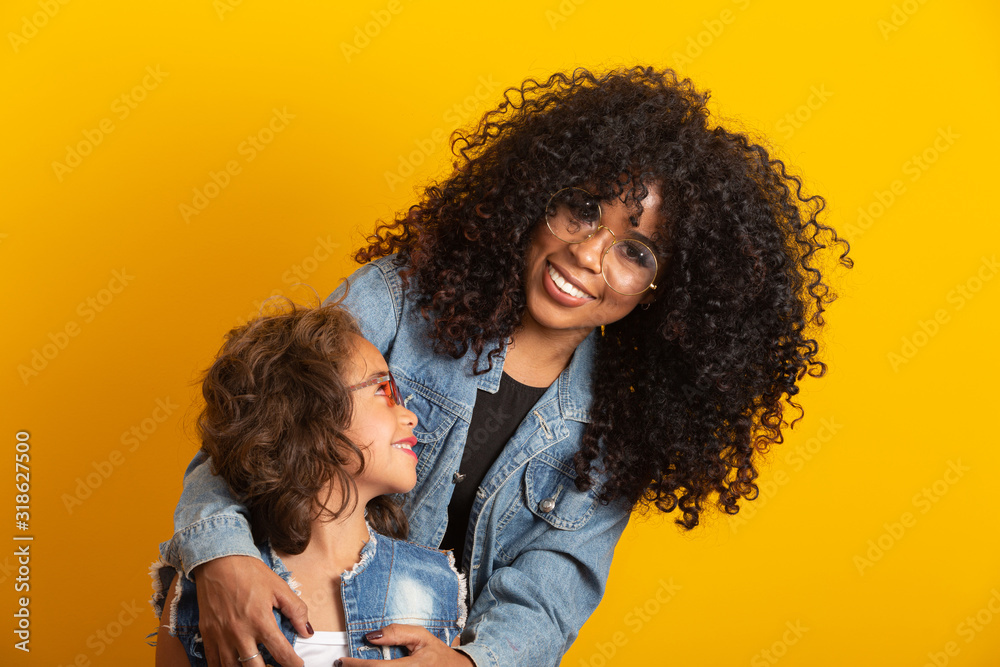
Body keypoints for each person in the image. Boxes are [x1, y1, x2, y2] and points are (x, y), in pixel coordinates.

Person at [158, 66, 852, 667]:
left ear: (666, 292)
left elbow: (553, 586)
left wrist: (468, 659)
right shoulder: (396, 300)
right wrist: (221, 555)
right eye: (582, 209)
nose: (589, 254)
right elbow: (250, 434)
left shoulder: (616, 426)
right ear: (535, 194)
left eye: (635, 251)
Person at [150, 299, 466, 665]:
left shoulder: (437, 582)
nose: (410, 416)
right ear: (309, 416)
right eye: (383, 390)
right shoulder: (205, 588)